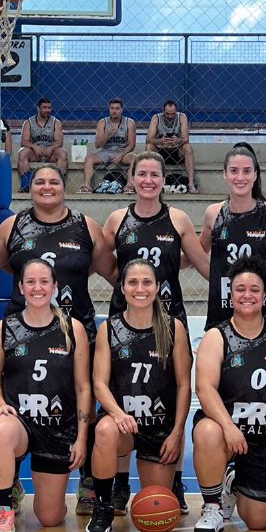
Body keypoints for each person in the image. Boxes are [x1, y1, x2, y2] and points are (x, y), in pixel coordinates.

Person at [0, 163, 116, 514]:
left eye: (54, 181)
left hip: (76, 329)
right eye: (40, 181)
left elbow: (111, 270)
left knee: (82, 398)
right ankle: (9, 481)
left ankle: (89, 481)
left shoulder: (85, 226)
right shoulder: (13, 226)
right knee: (18, 400)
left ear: (65, 186)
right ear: (30, 187)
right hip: (23, 330)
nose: (47, 187)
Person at [102, 151, 211, 510]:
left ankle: (175, 480)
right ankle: (118, 484)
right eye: (142, 174)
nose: (148, 181)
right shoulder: (117, 219)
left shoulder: (177, 218)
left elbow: (201, 264)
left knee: (166, 396)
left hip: (167, 322)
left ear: (164, 180)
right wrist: (129, 286)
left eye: (155, 175)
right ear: (131, 179)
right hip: (126, 319)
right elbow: (105, 264)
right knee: (122, 394)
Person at [193, 256, 266, 532]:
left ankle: (232, 483)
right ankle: (212, 506)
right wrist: (229, 428)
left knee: (258, 522)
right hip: (227, 432)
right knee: (207, 431)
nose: (247, 295)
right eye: (240, 289)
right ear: (230, 296)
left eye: (254, 289)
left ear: (265, 295)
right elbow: (204, 388)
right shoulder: (216, 336)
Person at [0, 258, 91, 532]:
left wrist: (81, 438)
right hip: (20, 424)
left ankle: (19, 488)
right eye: (30, 282)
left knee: (49, 518)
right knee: (0, 428)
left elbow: (83, 387)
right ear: (20, 287)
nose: (37, 288)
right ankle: (5, 509)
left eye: (44, 282)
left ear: (55, 287)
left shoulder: (72, 328)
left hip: (57, 428)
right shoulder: (4, 329)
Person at [88, 259, 191, 532]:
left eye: (147, 282)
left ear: (158, 287)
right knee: (105, 429)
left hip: (159, 428)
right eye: (132, 282)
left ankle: (161, 483)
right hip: (124, 425)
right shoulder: (108, 329)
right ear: (122, 289)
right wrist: (118, 414)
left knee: (155, 509)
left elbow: (183, 385)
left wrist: (177, 432)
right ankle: (102, 506)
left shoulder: (173, 329)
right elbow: (99, 383)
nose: (140, 288)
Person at [200, 142, 266, 329]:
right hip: (224, 308)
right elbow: (197, 254)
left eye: (246, 171)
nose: (240, 177)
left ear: (255, 175)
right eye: (234, 171)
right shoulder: (213, 213)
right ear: (225, 174)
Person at [80, 98, 137, 193]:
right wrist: (108, 135)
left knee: (134, 158)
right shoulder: (102, 122)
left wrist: (121, 155)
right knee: (89, 158)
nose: (114, 111)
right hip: (106, 152)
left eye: (117, 108)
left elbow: (132, 145)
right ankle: (86, 186)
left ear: (122, 110)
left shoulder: (130, 123)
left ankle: (129, 185)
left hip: (122, 152)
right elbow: (97, 145)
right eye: (112, 108)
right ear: (109, 109)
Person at [143, 98, 196, 191]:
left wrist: (177, 141)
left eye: (173, 114)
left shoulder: (181, 117)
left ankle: (191, 183)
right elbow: (148, 139)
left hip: (177, 151)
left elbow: (186, 139)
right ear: (163, 111)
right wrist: (160, 141)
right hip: (161, 152)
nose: (170, 116)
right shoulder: (156, 118)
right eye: (167, 114)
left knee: (188, 147)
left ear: (176, 111)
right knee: (149, 147)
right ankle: (149, 181)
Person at [17, 97, 67, 189]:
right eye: (44, 108)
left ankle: (60, 183)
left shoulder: (56, 122)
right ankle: (26, 185)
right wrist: (34, 147)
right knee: (22, 152)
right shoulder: (28, 122)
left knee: (62, 153)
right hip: (34, 153)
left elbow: (59, 142)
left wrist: (51, 148)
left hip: (51, 153)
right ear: (38, 108)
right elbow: (23, 142)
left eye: (49, 108)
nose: (47, 110)